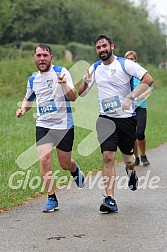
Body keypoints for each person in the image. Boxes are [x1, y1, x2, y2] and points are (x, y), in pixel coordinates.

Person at [79, 34, 153, 213]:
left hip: (126, 119)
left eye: (104, 46)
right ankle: (110, 198)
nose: (102, 50)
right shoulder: (95, 68)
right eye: (98, 47)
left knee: (128, 159)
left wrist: (131, 97)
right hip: (105, 119)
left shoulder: (124, 64)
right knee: (108, 157)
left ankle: (131, 171)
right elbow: (81, 94)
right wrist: (85, 83)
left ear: (112, 46)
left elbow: (148, 80)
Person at [16, 44, 85, 213]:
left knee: (64, 163)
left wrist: (64, 85)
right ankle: (51, 198)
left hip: (63, 125)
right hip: (43, 125)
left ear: (51, 57)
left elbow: (73, 97)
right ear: (34, 58)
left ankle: (74, 170)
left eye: (45, 55)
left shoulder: (61, 72)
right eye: (38, 55)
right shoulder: (33, 79)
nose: (42, 59)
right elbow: (28, 98)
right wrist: (23, 109)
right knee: (44, 160)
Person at [125, 50, 153, 166]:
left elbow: (150, 86)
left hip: (140, 106)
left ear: (135, 60)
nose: (130, 61)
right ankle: (135, 157)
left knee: (139, 133)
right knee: (132, 135)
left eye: (132, 59)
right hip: (129, 108)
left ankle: (143, 155)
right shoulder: (124, 73)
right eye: (128, 59)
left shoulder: (140, 72)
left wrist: (142, 95)